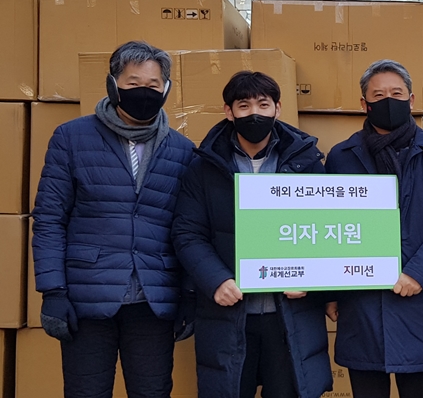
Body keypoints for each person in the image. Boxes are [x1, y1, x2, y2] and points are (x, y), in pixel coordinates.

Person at [32, 41, 195, 398]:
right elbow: (49, 219)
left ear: (166, 89)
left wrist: (188, 292)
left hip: (153, 301)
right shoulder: (71, 138)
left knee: (153, 392)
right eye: (133, 83)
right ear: (113, 84)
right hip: (86, 299)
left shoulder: (182, 151)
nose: (144, 92)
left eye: (153, 85)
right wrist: (53, 291)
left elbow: (188, 230)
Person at [171, 71, 332, 398]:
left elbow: (329, 230)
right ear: (229, 111)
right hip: (229, 313)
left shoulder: (307, 163)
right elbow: (188, 233)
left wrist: (311, 278)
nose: (254, 113)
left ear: (278, 108)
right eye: (244, 106)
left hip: (289, 316)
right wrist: (216, 280)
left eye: (263, 104)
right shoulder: (204, 167)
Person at [323, 59, 423, 398]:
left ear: (411, 100)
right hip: (361, 303)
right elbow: (327, 225)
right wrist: (329, 293)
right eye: (378, 95)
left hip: (419, 299)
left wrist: (417, 273)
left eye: (397, 93)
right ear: (364, 103)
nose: (388, 100)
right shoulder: (342, 157)